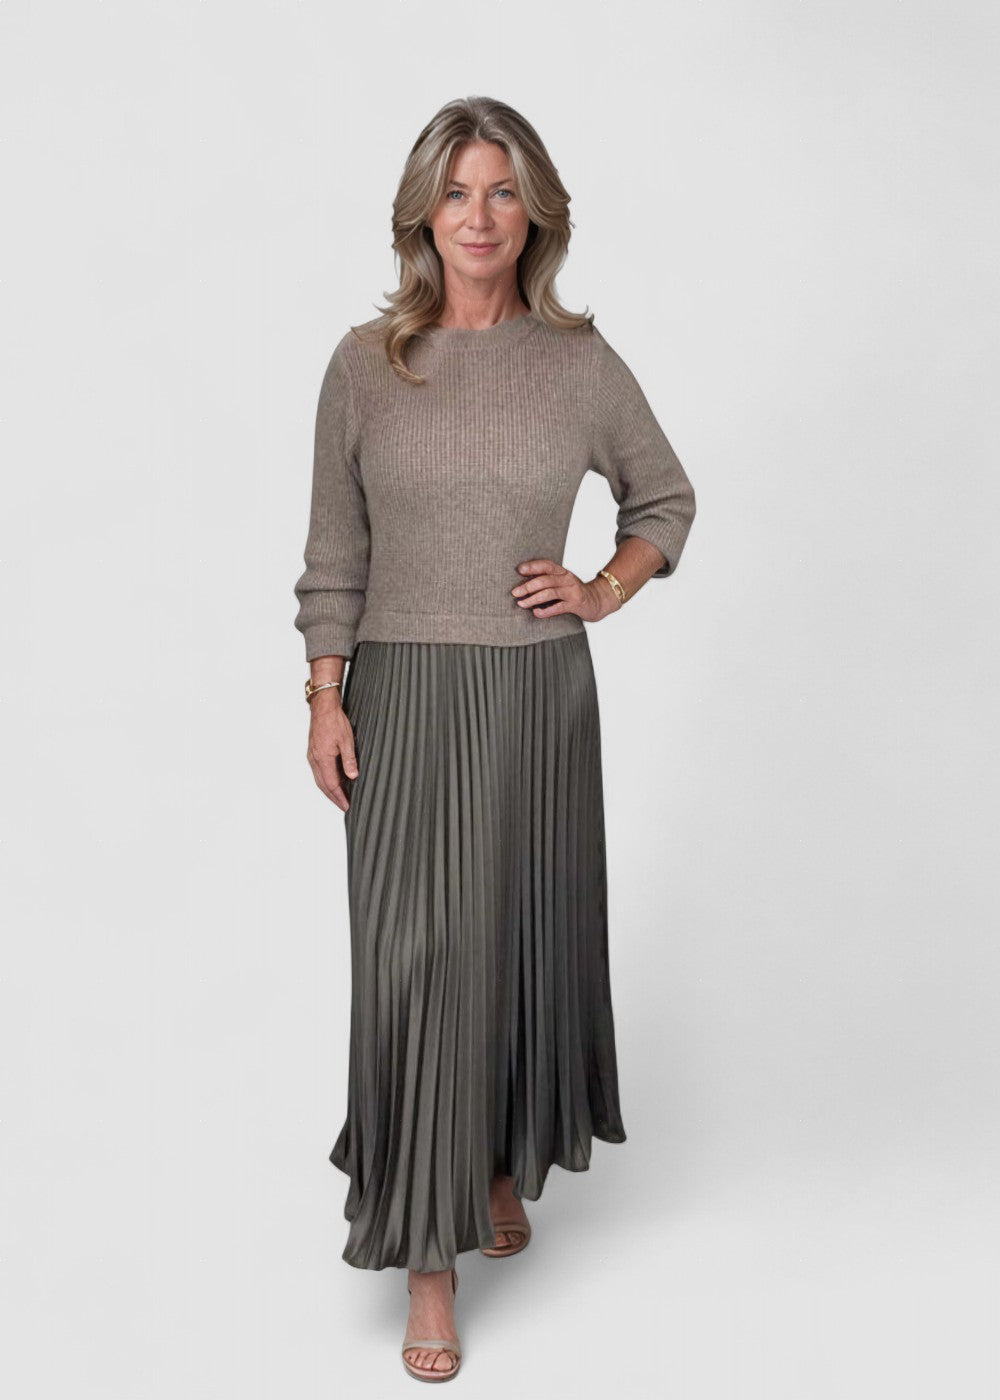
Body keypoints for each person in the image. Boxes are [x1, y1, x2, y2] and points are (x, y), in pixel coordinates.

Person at [293, 95, 696, 1383]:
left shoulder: (577, 362)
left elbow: (663, 498)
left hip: (534, 695)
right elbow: (335, 551)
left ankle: (499, 1161)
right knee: (413, 965)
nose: (479, 215)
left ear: (537, 214)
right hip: (403, 699)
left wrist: (600, 589)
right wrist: (325, 694)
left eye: (504, 190)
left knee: (517, 938)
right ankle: (428, 1259)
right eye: (458, 191)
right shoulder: (367, 363)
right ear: (423, 211)